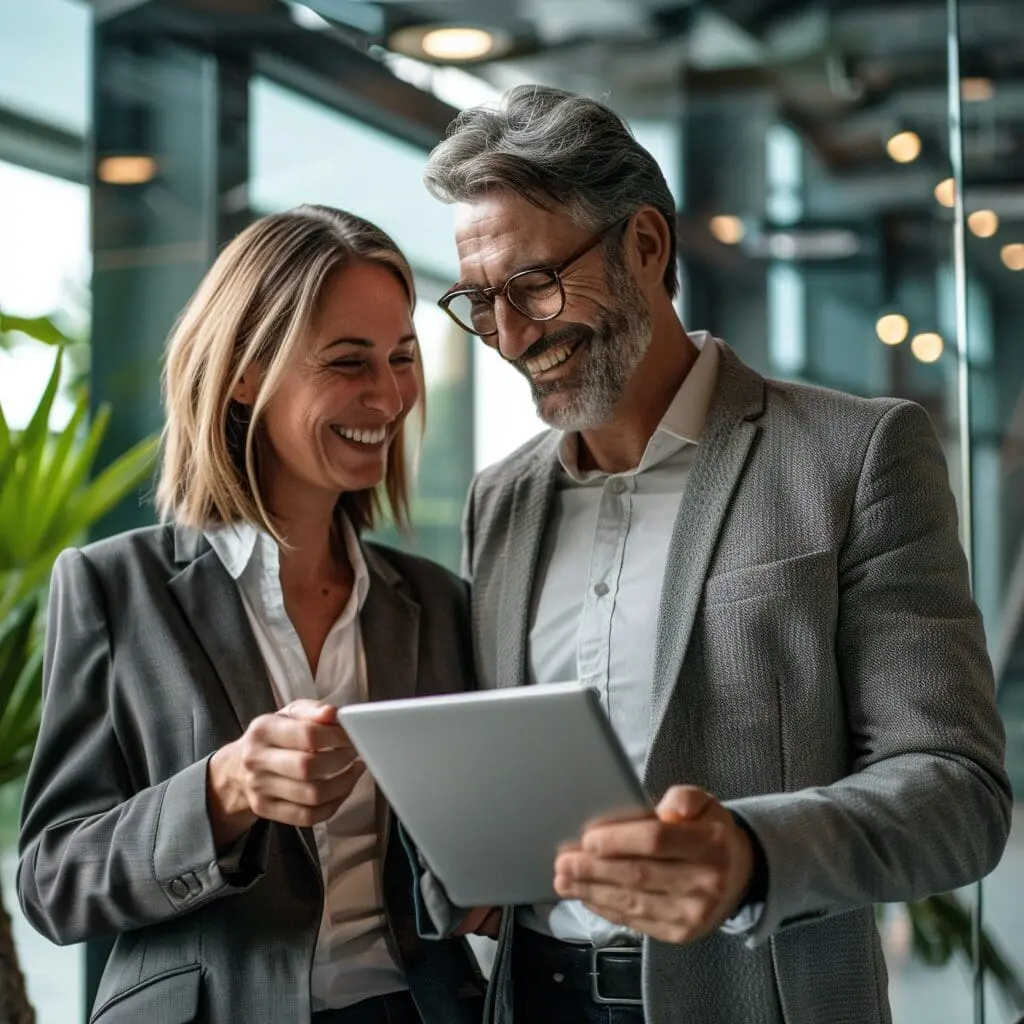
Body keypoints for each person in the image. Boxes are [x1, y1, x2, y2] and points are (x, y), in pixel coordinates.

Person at [417, 85, 1012, 1024]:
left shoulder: (852, 453)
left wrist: (749, 854)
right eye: (479, 303)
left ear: (646, 247)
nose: (512, 337)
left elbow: (957, 791)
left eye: (533, 284)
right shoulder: (501, 499)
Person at [17, 205, 485, 1024]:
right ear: (243, 373)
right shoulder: (112, 589)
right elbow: (54, 882)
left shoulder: (438, 602)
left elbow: (463, 861)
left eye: (402, 358)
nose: (387, 394)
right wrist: (224, 790)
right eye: (348, 362)